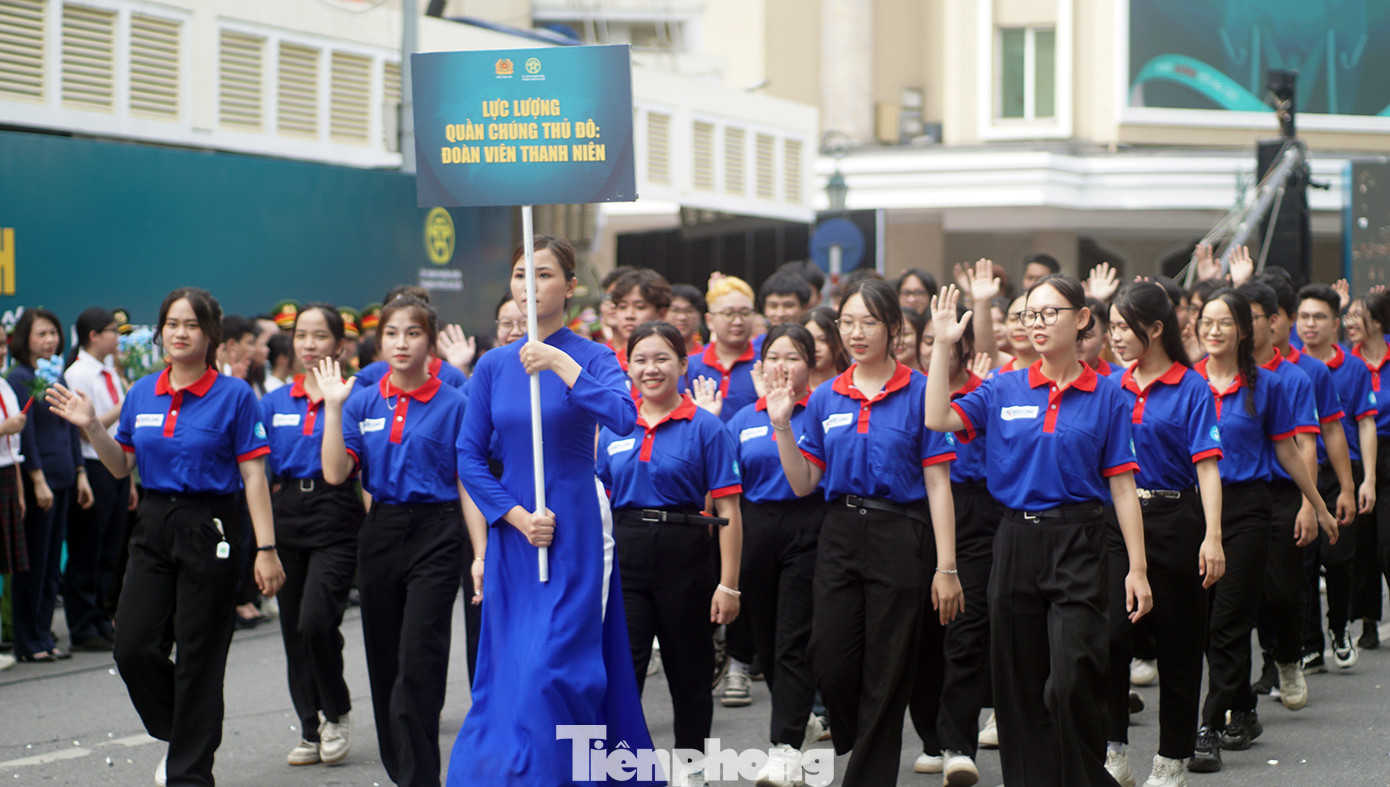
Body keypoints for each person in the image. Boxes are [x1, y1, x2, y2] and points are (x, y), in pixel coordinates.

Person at [45, 287, 284, 787]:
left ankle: (190, 774)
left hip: (212, 526)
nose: (178, 332)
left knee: (199, 655)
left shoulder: (234, 396)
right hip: (153, 523)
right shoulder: (142, 392)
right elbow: (120, 465)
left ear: (210, 334)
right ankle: (187, 731)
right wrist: (91, 427)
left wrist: (266, 549)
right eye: (171, 323)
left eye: (190, 324)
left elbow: (255, 478)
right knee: (131, 647)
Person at [926, 277, 1151, 786]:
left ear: (1082, 319)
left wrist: (1137, 568)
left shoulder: (1109, 396)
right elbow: (938, 416)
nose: (1038, 323)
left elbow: (1121, 486)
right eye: (1031, 315)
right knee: (1018, 684)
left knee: (1072, 677)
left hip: (1079, 541)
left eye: (1051, 313)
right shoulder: (1003, 387)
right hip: (1014, 540)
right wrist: (942, 346)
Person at [449, 236, 655, 786]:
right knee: (512, 670)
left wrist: (561, 362)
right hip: (517, 536)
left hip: (577, 528)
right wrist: (513, 518)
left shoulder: (591, 355)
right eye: (520, 275)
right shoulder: (492, 366)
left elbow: (622, 416)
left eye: (542, 274)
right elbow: (468, 456)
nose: (528, 286)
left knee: (555, 668)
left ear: (569, 286)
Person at [770, 277, 961, 786]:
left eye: (868, 322)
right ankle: (862, 740)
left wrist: (947, 567)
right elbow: (804, 480)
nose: (855, 333)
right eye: (847, 322)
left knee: (887, 663)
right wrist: (782, 426)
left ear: (894, 329)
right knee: (829, 659)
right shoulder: (830, 394)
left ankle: (868, 775)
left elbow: (939, 484)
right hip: (838, 532)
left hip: (901, 534)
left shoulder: (920, 391)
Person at [318, 295, 469, 787]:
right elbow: (336, 471)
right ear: (378, 340)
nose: (401, 343)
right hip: (381, 531)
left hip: (439, 532)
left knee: (418, 659)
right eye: (392, 334)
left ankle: (420, 777)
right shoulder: (362, 399)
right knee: (385, 664)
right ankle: (405, 774)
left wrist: (481, 554)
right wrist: (334, 410)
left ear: (430, 341)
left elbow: (468, 482)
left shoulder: (454, 402)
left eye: (413, 333)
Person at [1187, 288, 1336, 774]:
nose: (1214, 330)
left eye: (1224, 322)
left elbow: (1289, 451)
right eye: (1206, 321)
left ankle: (1208, 725)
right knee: (1202, 621)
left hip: (1248, 511)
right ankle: (1246, 710)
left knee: (1228, 621)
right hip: (1193, 513)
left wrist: (1318, 505)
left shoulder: (1265, 386)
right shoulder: (1187, 385)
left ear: (1243, 332)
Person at [598, 320, 744, 783]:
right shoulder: (614, 426)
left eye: (662, 358)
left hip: (685, 555)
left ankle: (692, 768)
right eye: (640, 359)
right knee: (624, 669)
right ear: (628, 366)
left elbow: (729, 510)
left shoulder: (706, 427)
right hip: (625, 556)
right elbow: (597, 501)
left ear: (683, 364)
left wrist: (728, 584)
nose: (651, 368)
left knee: (690, 671)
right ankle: (620, 768)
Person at [1102, 283, 1225, 787]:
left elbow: (1208, 468)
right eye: (1108, 327)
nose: (1114, 338)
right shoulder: (1109, 384)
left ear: (1155, 329)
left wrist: (1212, 536)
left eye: (1122, 327)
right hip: (1115, 524)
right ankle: (1113, 748)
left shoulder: (1192, 386)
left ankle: (1172, 757)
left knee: (1178, 643)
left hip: (1175, 521)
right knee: (1109, 638)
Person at [260, 304, 362, 768]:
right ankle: (308, 725)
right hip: (286, 513)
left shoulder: (355, 395)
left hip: (335, 511)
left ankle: (336, 712)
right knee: (291, 628)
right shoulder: (275, 401)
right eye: (302, 335)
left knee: (316, 620)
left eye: (320, 336)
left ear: (339, 345)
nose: (308, 344)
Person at [724, 322, 826, 783]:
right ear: (760, 366)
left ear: (811, 364)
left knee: (792, 641)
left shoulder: (820, 410)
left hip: (807, 527)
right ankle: (797, 718)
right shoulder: (744, 419)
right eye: (774, 358)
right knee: (765, 642)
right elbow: (725, 487)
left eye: (793, 357)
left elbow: (814, 479)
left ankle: (783, 745)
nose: (782, 367)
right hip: (755, 529)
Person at [1295, 284, 1377, 671]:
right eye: (1305, 317)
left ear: (1335, 322)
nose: (1311, 325)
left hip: (1340, 474)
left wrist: (1365, 480)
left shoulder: (1354, 368)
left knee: (1339, 557)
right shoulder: (1287, 367)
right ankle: (1310, 643)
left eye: (1320, 317)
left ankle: (1339, 628)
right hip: (1297, 476)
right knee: (1304, 559)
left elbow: (1364, 424)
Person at [9, 308, 90, 663]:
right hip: (38, 483)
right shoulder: (20, 378)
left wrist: (80, 472)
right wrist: (38, 479)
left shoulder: (55, 374)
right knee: (35, 564)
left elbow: (70, 426)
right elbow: (25, 434)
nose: (50, 340)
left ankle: (44, 634)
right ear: (24, 337)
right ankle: (28, 640)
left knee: (50, 566)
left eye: (54, 333)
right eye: (42, 334)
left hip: (65, 478)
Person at [62, 307, 130, 652]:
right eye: (112, 331)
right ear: (93, 335)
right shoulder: (79, 374)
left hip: (117, 465)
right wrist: (125, 403)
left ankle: (103, 617)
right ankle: (83, 624)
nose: (117, 338)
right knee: (88, 547)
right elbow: (86, 429)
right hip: (92, 465)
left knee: (111, 547)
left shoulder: (110, 372)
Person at [1346, 290, 1390, 649]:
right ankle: (1368, 620)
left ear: (1376, 322)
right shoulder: (1347, 362)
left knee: (1386, 542)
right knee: (1362, 543)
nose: (1348, 322)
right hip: (1358, 456)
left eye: (1356, 315)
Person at [687, 276, 760, 422]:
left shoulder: (764, 364)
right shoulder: (689, 366)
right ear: (709, 321)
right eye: (728, 314)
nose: (738, 321)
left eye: (745, 313)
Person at [0, 342, 26, 673]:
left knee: (5, 564)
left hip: (6, 473)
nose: (1, 350)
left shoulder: (5, 384)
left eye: (3, 343)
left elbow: (13, 448)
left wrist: (19, 488)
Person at [607, 268, 672, 369]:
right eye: (622, 307)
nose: (629, 315)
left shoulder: (678, 366)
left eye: (640, 307)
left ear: (661, 313)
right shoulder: (607, 363)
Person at [800, 306, 848, 390]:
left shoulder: (850, 386)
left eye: (823, 340)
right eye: (809, 340)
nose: (815, 348)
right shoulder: (794, 388)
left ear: (840, 342)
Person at [668, 283, 707, 355]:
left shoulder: (706, 355)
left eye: (689, 311)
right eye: (674, 310)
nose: (682, 317)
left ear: (699, 315)